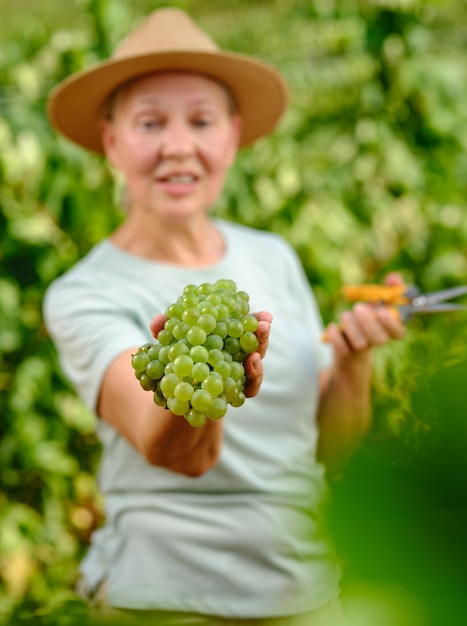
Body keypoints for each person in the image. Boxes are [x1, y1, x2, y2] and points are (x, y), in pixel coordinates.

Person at [43, 7, 405, 626]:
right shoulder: (83, 293)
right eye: (149, 122)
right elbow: (180, 455)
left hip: (306, 592)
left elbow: (331, 448)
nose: (177, 145)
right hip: (160, 603)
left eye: (201, 121)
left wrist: (352, 358)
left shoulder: (273, 257)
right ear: (111, 141)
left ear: (232, 136)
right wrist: (212, 389)